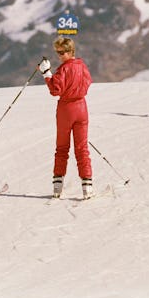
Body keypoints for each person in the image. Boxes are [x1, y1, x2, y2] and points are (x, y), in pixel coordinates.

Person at [39, 37, 93, 199]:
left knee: (62, 148)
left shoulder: (63, 69)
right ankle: (87, 187)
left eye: (62, 52)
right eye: (58, 52)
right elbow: (88, 81)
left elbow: (55, 90)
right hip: (82, 108)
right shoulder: (82, 66)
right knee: (82, 147)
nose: (59, 56)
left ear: (70, 51)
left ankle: (57, 186)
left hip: (66, 109)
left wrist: (46, 73)